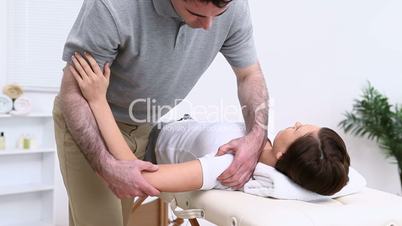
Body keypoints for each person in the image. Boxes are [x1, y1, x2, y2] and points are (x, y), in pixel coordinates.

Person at [55, 0, 269, 225]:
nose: (208, 26)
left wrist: (257, 137)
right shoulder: (112, 6)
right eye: (196, 13)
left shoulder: (234, 7)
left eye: (219, 14)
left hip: (143, 125)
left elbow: (249, 75)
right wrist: (105, 165)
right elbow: (74, 94)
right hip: (89, 122)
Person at [69, 53, 350, 196]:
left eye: (299, 130)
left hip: (138, 141)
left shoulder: (227, 168)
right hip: (159, 121)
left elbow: (139, 176)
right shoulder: (259, 138)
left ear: (283, 156)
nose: (297, 122)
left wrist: (97, 100)